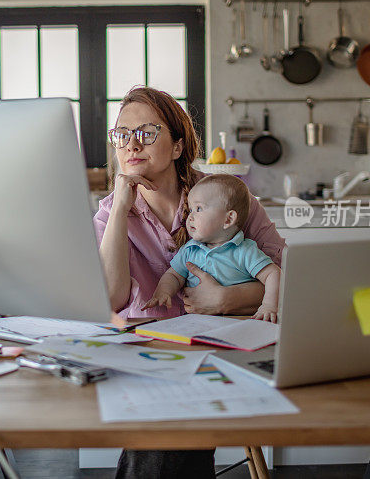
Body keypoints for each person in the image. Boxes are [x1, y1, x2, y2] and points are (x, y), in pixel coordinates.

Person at [93, 86, 286, 478]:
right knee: (169, 430)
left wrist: (226, 299)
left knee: (168, 432)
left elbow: (290, 278)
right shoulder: (111, 213)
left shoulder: (227, 196)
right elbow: (111, 298)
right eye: (121, 134)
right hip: (147, 352)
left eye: (146, 132)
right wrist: (119, 208)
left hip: (224, 346)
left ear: (179, 146)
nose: (131, 144)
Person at [143, 174, 281, 322]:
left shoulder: (245, 250)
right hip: (197, 323)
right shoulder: (189, 250)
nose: (190, 217)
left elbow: (273, 273)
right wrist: (163, 292)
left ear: (228, 219)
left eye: (199, 208)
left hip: (238, 322)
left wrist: (268, 305)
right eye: (190, 210)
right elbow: (174, 276)